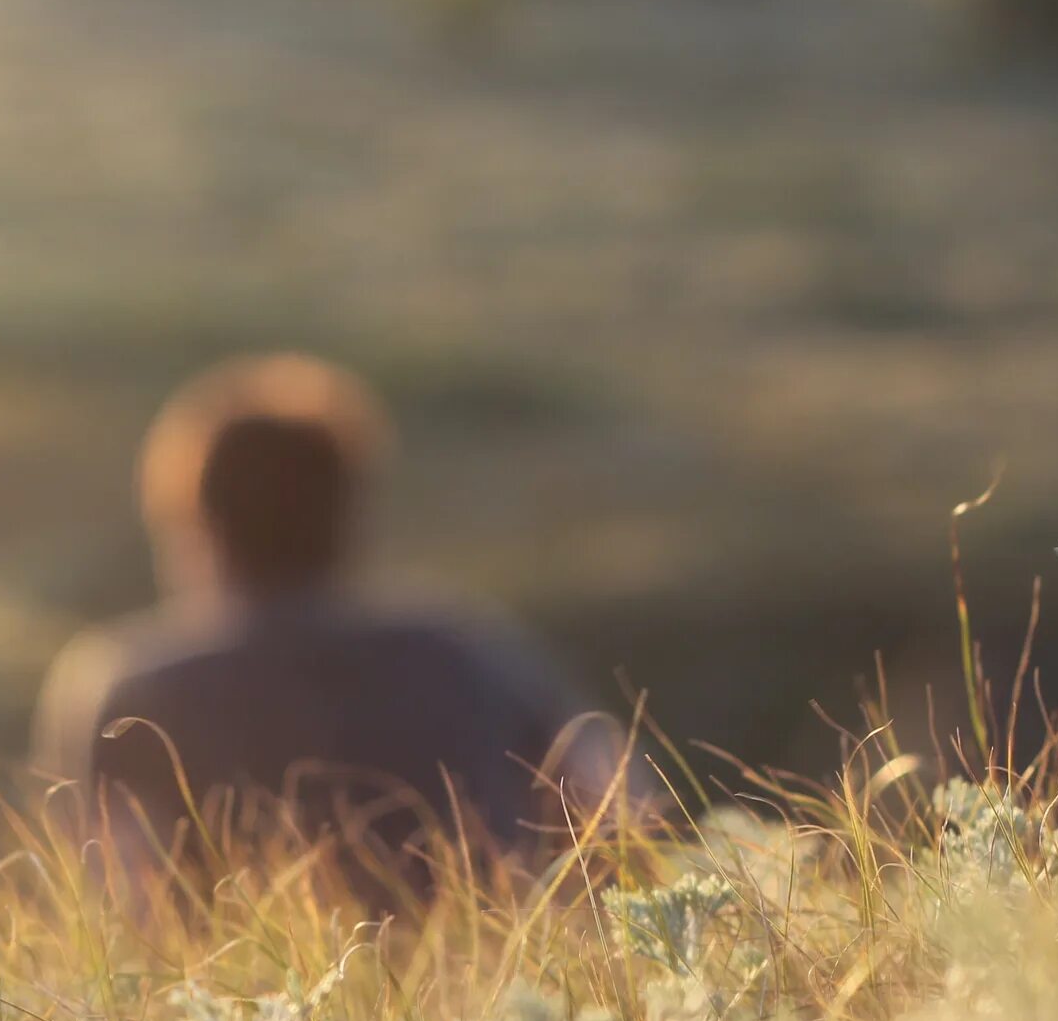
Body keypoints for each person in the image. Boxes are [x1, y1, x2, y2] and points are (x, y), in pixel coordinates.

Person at [33, 355, 652, 897]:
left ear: (196, 527)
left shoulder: (127, 686)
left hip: (249, 1015)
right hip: (490, 998)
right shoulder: (475, 651)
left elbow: (116, 896)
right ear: (346, 513)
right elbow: (625, 820)